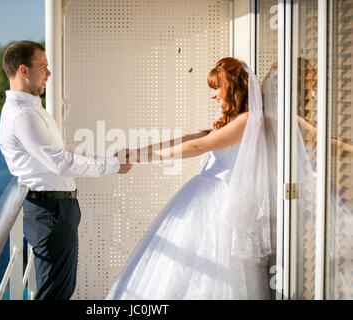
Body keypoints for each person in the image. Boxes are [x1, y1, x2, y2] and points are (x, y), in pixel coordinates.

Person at [107, 57, 273, 299]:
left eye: (217, 87)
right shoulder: (230, 121)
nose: (213, 95)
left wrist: (143, 158)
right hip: (206, 198)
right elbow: (187, 139)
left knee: (211, 270)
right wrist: (136, 153)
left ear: (233, 87)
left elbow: (198, 147)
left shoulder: (247, 121)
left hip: (221, 204)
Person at [0, 40, 132, 300]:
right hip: (51, 213)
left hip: (57, 210)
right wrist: (112, 165)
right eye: (43, 67)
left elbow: (64, 154)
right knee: (55, 294)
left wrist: (108, 159)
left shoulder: (33, 110)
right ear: (24, 71)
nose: (49, 73)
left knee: (61, 290)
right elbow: (61, 162)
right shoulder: (23, 115)